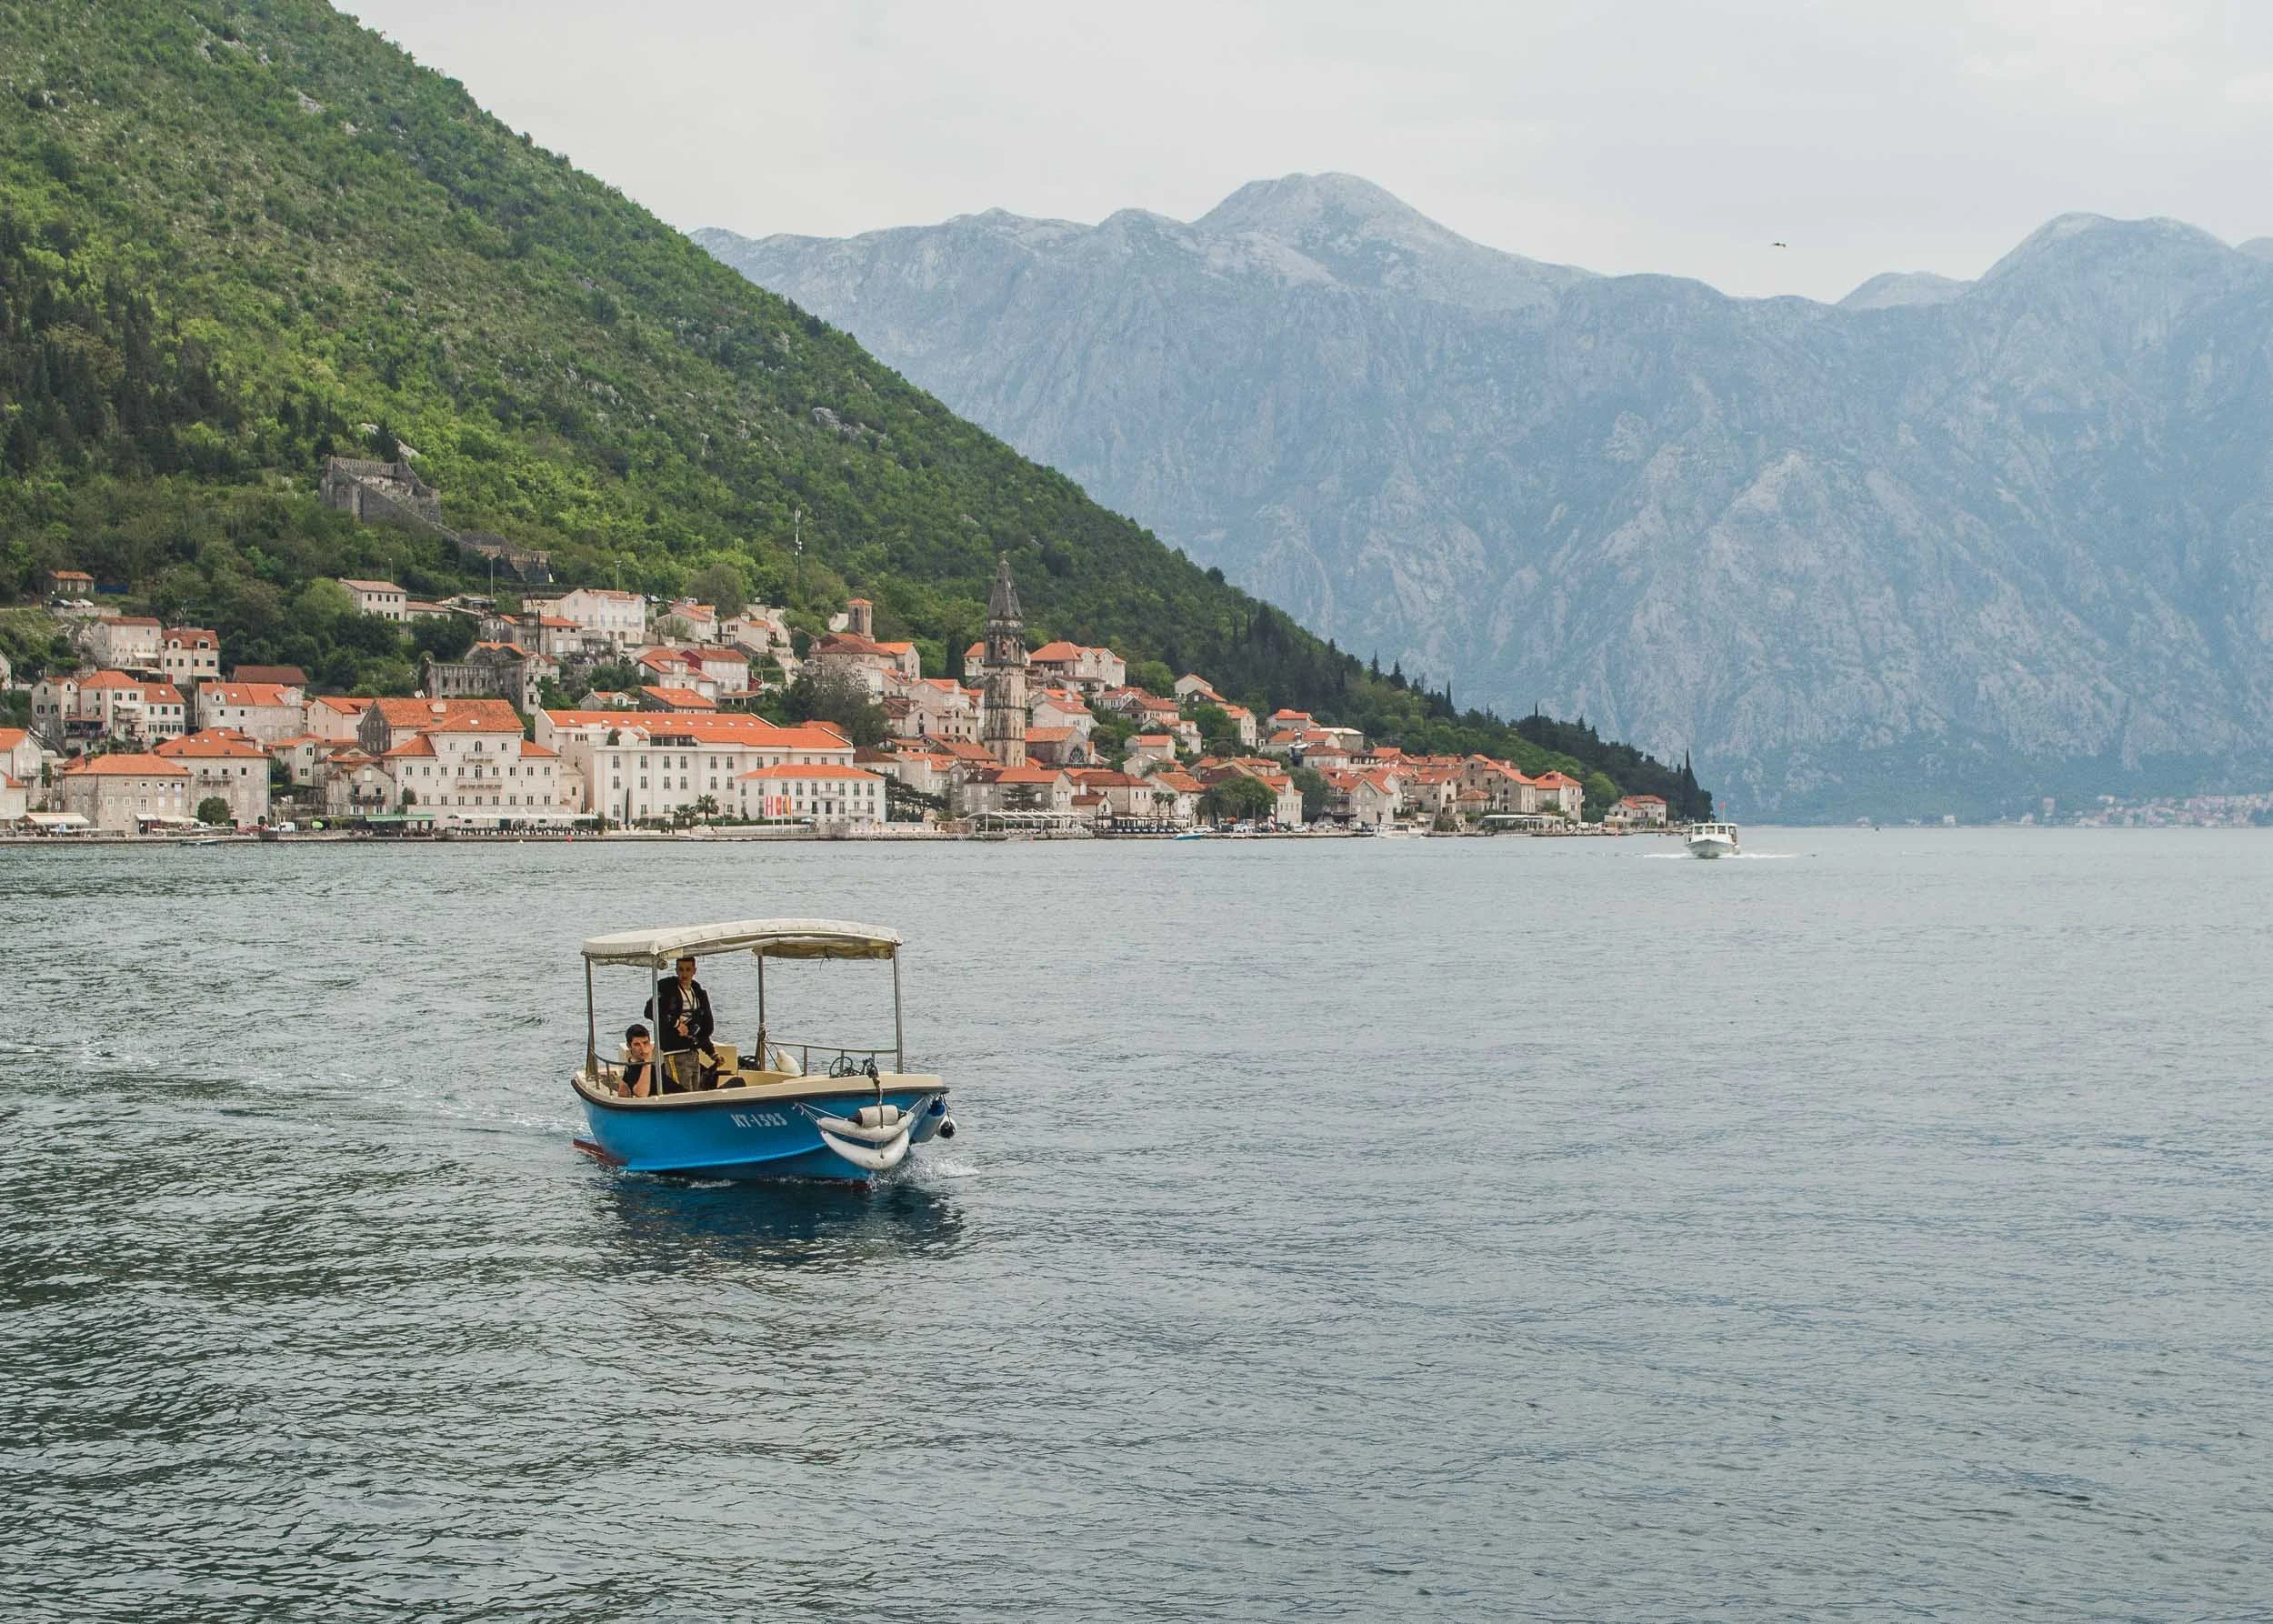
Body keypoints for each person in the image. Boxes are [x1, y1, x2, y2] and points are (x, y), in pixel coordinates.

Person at [646, 955, 718, 1091]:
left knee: (695, 1091)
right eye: (681, 970)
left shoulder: (697, 992)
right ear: (676, 970)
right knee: (680, 1091)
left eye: (688, 970)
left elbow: (701, 1025)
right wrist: (676, 1024)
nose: (684, 974)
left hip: (692, 1052)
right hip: (674, 1052)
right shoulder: (668, 988)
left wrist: (711, 1052)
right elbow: (650, 1011)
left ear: (694, 971)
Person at [618, 1024, 656, 1098]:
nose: (642, 1048)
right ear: (629, 1046)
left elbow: (623, 1090)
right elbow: (641, 1094)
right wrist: (647, 1062)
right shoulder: (633, 1068)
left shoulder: (629, 1063)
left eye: (645, 1043)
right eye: (637, 1044)